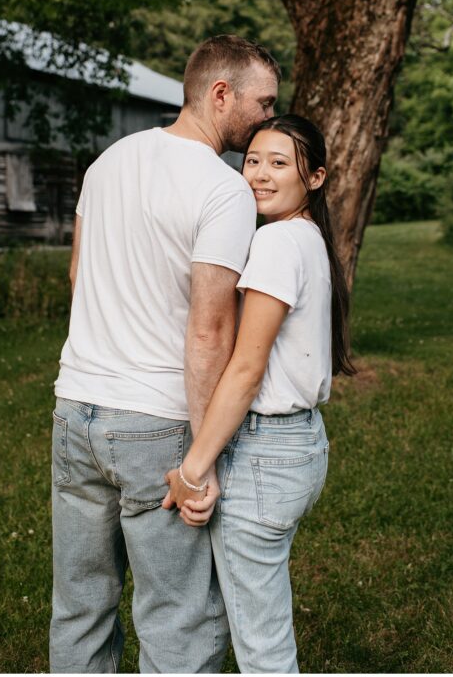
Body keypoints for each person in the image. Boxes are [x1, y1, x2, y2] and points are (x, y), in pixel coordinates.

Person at [49, 35, 280, 674]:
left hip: (75, 410)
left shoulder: (109, 161)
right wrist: (202, 460)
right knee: (179, 614)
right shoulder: (225, 190)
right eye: (262, 104)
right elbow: (209, 333)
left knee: (80, 603)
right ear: (220, 93)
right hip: (155, 425)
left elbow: (77, 278)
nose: (268, 118)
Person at [164, 114, 356, 674]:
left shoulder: (275, 242)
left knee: (262, 644)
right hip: (296, 447)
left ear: (315, 177)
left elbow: (246, 369)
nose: (259, 175)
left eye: (279, 163)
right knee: (256, 616)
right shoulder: (306, 237)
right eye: (252, 160)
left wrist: (193, 469)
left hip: (265, 455)